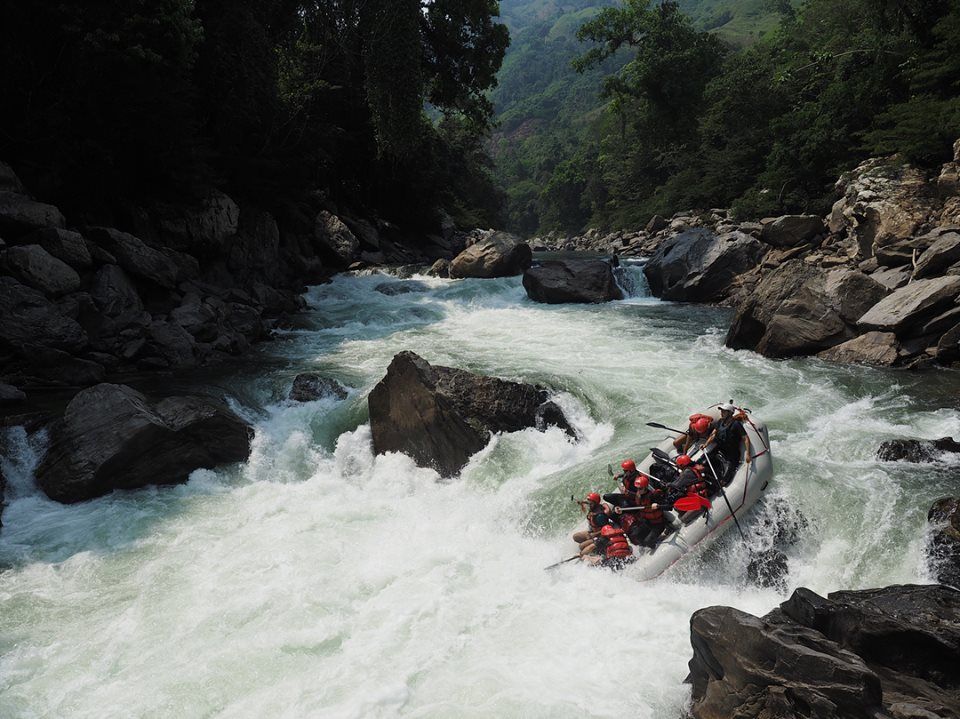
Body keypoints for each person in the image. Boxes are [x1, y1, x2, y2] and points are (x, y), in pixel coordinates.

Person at [704, 403, 751, 484]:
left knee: (723, 481)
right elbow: (713, 434)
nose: (721, 413)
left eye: (724, 411)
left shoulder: (736, 424)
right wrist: (706, 444)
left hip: (732, 455)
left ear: (730, 413)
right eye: (721, 411)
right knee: (702, 463)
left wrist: (748, 454)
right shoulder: (720, 421)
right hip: (720, 449)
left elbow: (746, 438)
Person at [572, 492, 614, 558]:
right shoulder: (594, 507)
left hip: (600, 536)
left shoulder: (599, 516)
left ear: (595, 503)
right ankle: (589, 543)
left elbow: (608, 529)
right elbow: (587, 502)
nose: (589, 504)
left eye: (590, 503)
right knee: (576, 536)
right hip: (593, 532)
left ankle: (596, 550)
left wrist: (594, 534)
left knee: (581, 546)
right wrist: (581, 502)